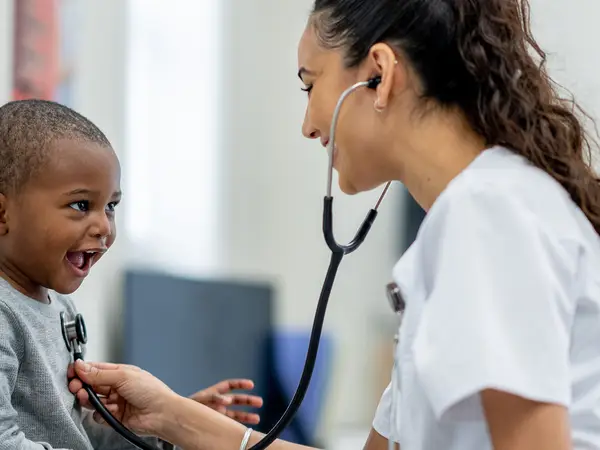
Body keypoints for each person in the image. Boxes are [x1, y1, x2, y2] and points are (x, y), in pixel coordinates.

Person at [69, 0, 600, 448]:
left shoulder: (487, 212)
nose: (308, 125)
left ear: (379, 74)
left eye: (310, 84)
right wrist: (169, 415)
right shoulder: (473, 216)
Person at [0, 99, 263, 450]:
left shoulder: (62, 307)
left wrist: (172, 426)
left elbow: (81, 435)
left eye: (111, 206)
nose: (104, 227)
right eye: (81, 205)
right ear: (3, 214)